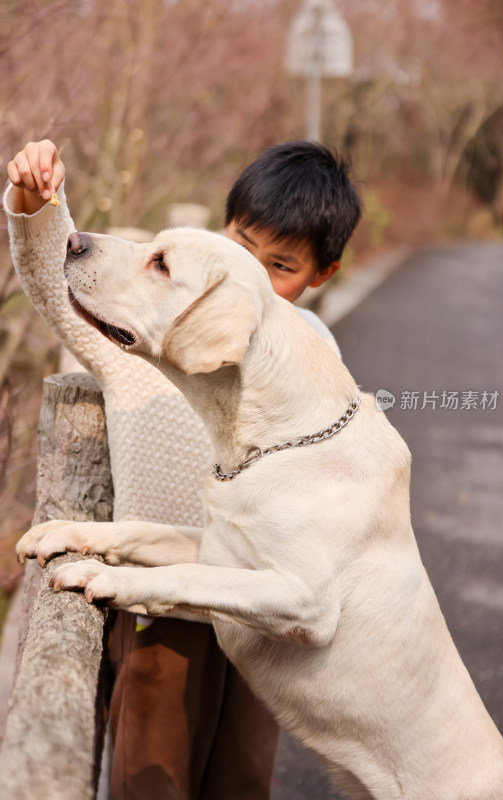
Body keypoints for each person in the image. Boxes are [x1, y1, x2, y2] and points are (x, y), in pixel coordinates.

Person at [5, 139, 362, 800]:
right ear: (220, 231)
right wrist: (35, 199)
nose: (248, 273)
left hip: (260, 612)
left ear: (322, 274)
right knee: (153, 778)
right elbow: (59, 281)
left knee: (243, 780)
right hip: (159, 608)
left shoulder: (311, 352)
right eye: (241, 244)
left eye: (279, 265)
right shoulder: (139, 325)